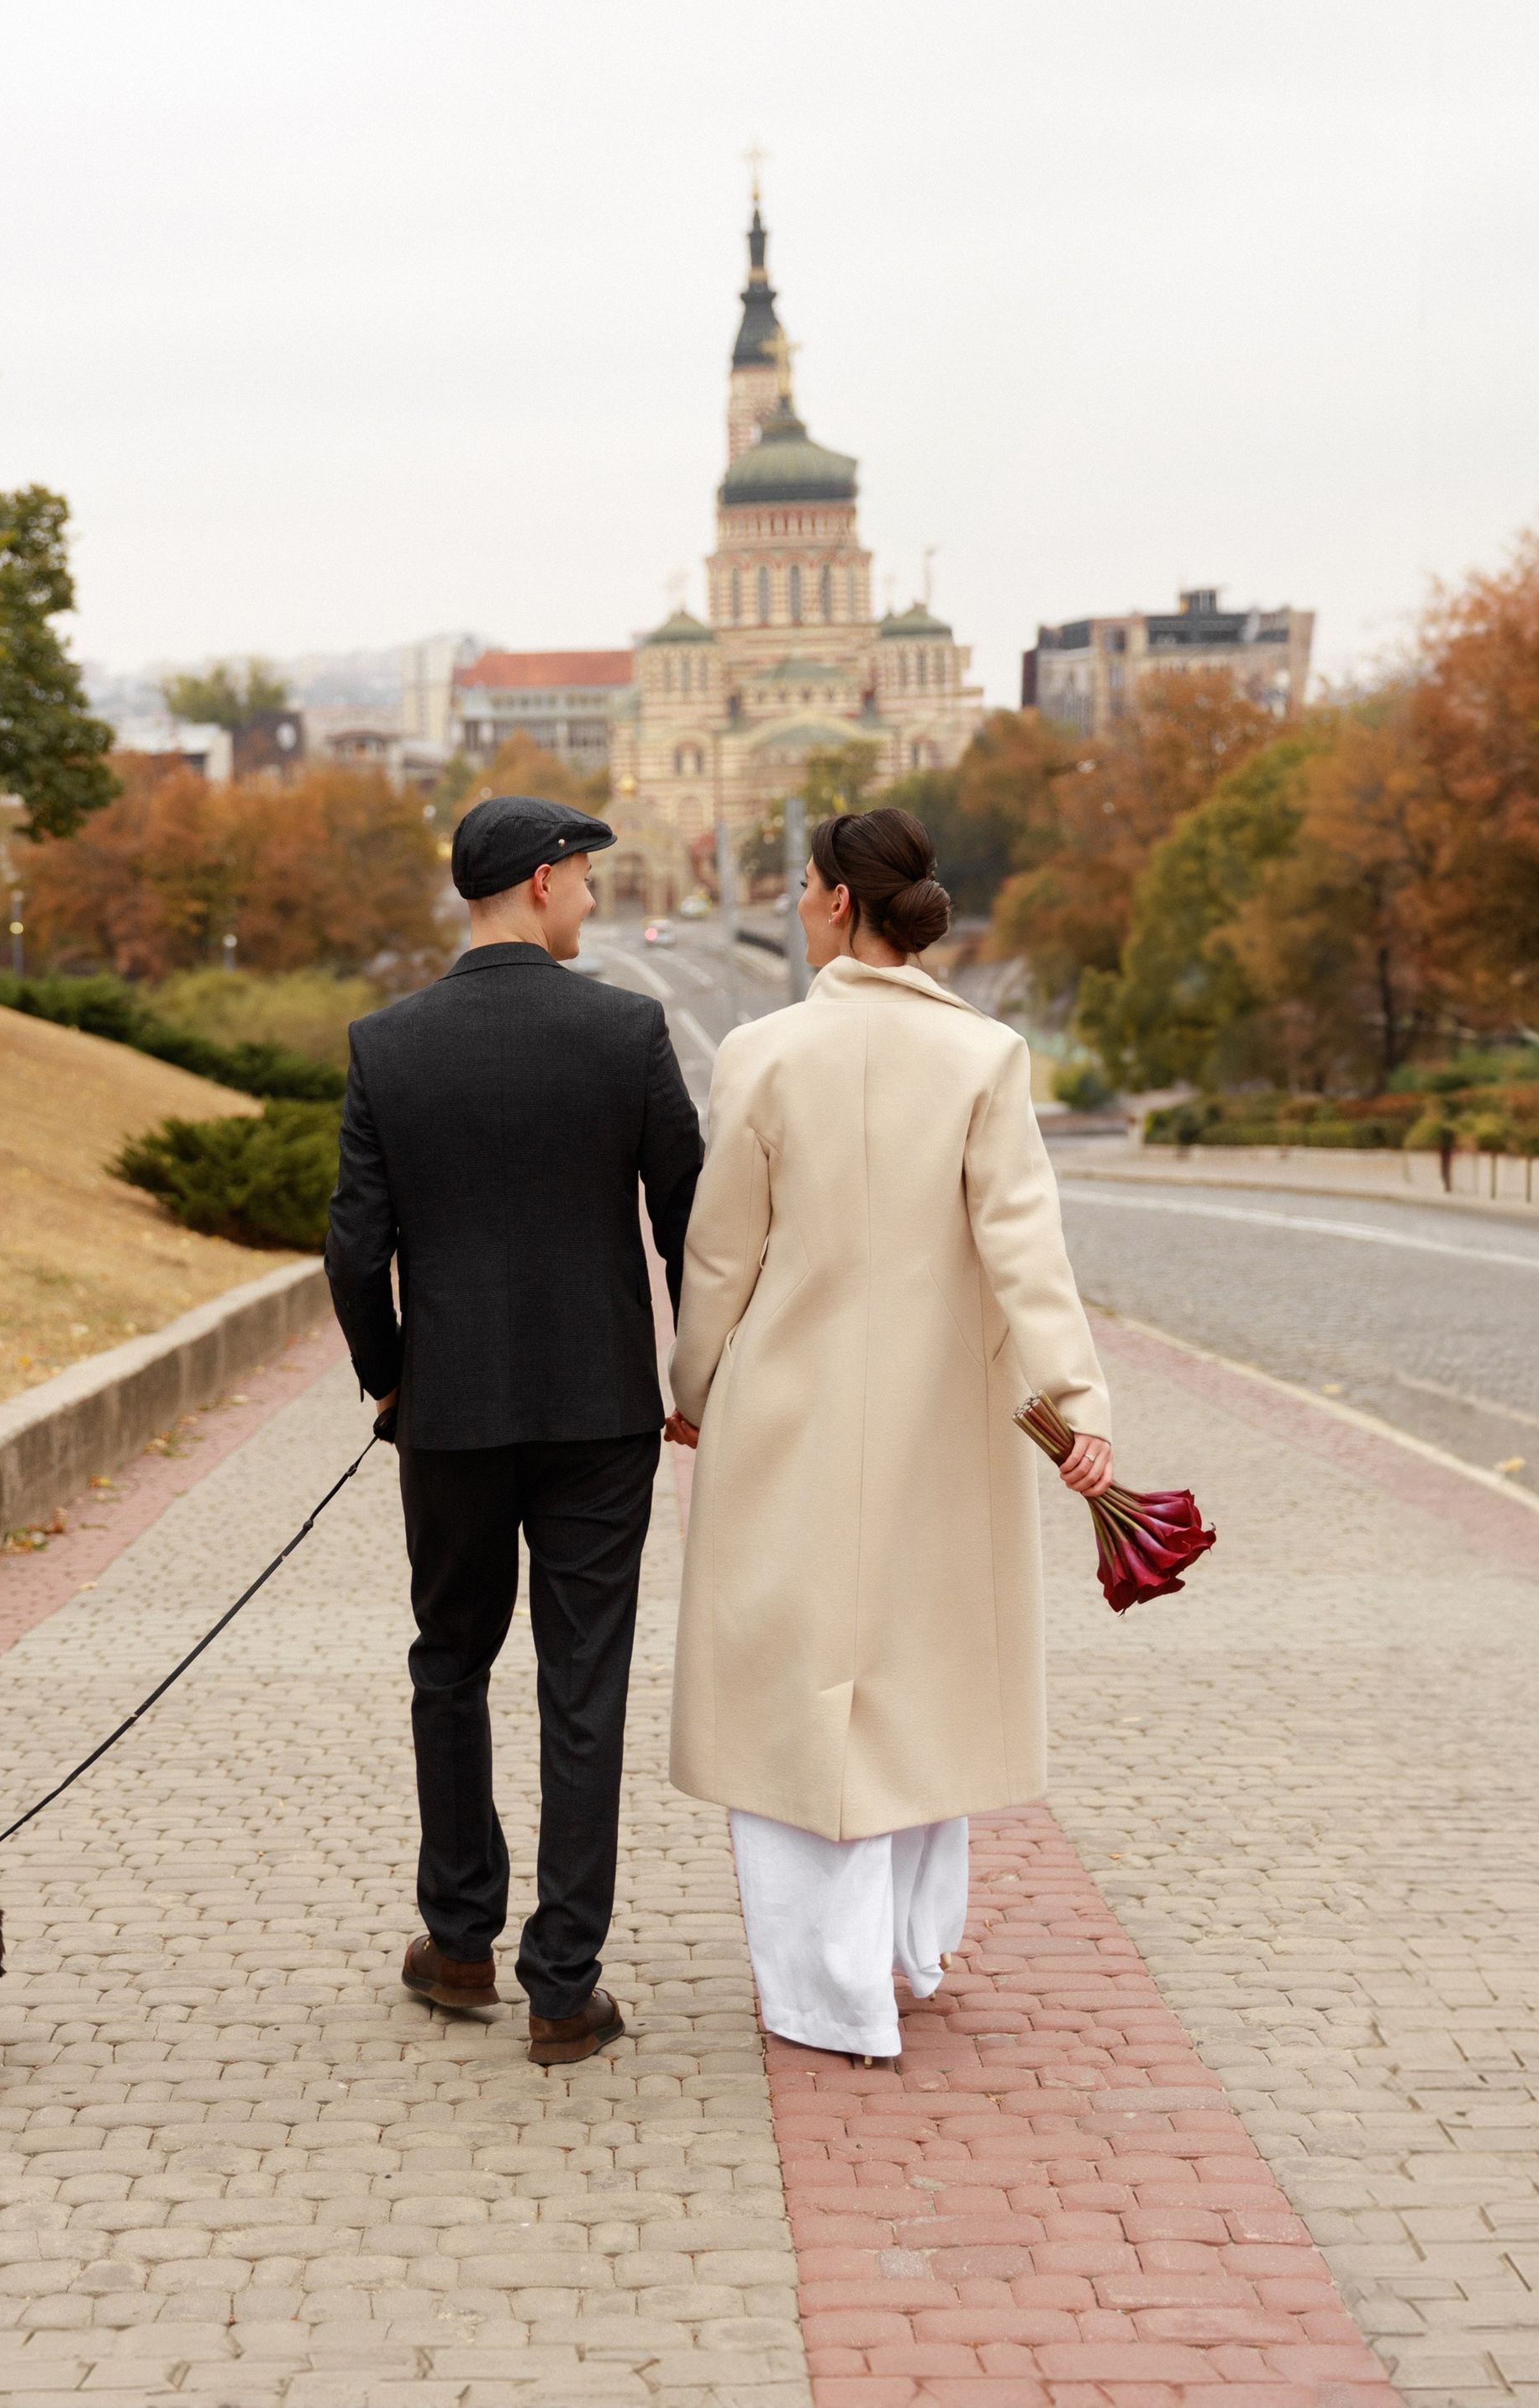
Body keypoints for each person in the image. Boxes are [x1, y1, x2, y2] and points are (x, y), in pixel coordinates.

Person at [664, 805, 1113, 2064]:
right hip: (937, 1416)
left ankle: (829, 1987)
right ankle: (910, 1949)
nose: (798, 902)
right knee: (918, 1677)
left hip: (787, 1410)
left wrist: (693, 1384)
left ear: (840, 903)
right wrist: (1076, 1408)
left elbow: (720, 1253)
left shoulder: (761, 1052)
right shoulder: (985, 1056)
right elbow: (1026, 1247)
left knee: (791, 1691)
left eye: (806, 885)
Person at [325, 795, 703, 2064]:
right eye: (586, 877)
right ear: (542, 882)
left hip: (453, 1417)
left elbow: (353, 1249)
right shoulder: (626, 1031)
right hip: (601, 1415)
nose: (593, 898)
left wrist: (391, 1384)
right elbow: (689, 1225)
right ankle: (563, 1987)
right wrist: (696, 1374)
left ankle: (459, 1941)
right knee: (581, 1686)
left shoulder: (387, 1044)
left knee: (451, 1662)